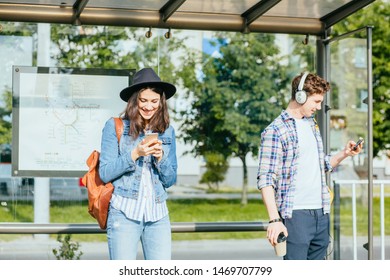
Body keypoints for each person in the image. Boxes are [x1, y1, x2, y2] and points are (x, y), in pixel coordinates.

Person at [256, 72, 364, 260]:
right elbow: (266, 178)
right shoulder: (275, 131)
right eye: (316, 101)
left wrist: (345, 153)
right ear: (300, 96)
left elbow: (319, 164)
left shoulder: (311, 125)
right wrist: (274, 220)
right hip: (296, 216)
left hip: (321, 213)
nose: (319, 107)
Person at [99, 67, 178, 260]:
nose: (149, 107)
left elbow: (170, 179)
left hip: (158, 215)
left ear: (161, 103)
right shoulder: (115, 126)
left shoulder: (167, 131)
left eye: (154, 101)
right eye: (143, 101)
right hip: (124, 213)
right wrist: (135, 154)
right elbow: (105, 173)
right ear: (135, 101)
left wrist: (161, 159)